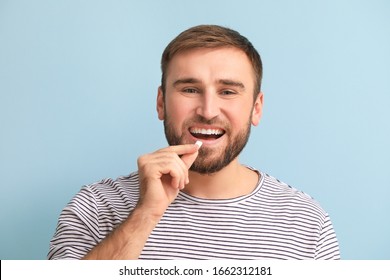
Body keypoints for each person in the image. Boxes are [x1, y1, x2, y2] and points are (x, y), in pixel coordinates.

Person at [48, 24, 340, 260]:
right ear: (161, 102)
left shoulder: (306, 222)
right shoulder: (96, 207)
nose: (208, 110)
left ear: (256, 108)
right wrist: (146, 214)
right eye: (190, 89)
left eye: (228, 92)